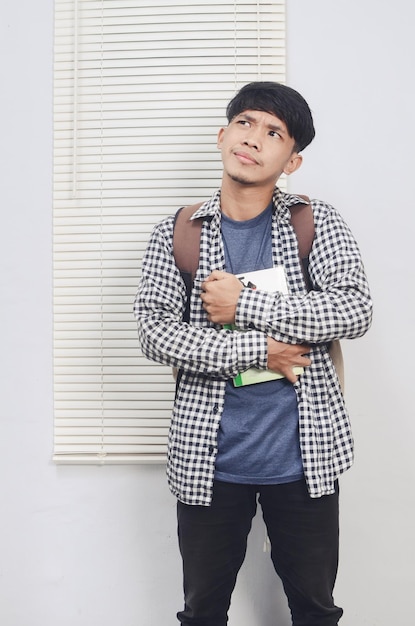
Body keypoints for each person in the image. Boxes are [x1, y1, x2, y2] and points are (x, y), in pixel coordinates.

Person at [134, 81, 373, 626]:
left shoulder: (315, 221)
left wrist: (246, 302)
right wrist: (258, 347)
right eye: (245, 123)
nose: (254, 138)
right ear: (223, 135)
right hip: (207, 460)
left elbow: (354, 311)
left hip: (305, 457)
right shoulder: (178, 232)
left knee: (315, 610)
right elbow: (155, 332)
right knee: (201, 612)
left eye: (274, 133)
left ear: (292, 159)